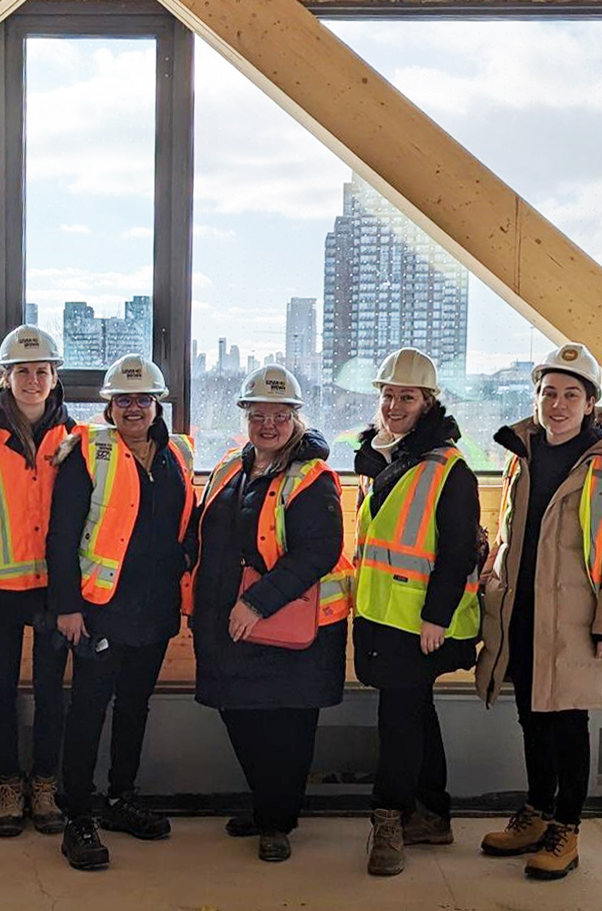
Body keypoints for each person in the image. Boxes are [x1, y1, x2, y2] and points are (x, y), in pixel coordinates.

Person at [476, 342, 602, 880]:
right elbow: (510, 537)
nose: (558, 404)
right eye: (549, 392)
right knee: (532, 717)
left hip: (578, 621)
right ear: (537, 397)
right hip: (523, 613)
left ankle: (566, 828)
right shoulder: (520, 455)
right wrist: (493, 589)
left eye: (572, 394)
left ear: (590, 403)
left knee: (568, 722)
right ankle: (537, 811)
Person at [184, 364, 351, 863]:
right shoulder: (231, 466)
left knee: (286, 729)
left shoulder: (312, 477)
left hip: (289, 629)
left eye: (280, 415)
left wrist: (257, 602)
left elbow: (318, 552)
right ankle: (267, 807)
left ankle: (277, 821)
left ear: (296, 417)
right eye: (258, 415)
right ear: (245, 417)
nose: (268, 425)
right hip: (230, 623)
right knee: (241, 716)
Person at [46, 354, 195, 871]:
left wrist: (187, 570)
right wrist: (67, 606)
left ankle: (120, 798)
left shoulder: (177, 453)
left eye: (143, 399)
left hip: (155, 610)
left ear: (158, 404)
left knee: (135, 707)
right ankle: (77, 816)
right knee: (88, 710)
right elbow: (61, 536)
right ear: (109, 406)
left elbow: (186, 523)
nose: (134, 408)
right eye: (124, 400)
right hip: (99, 610)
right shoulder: (87, 451)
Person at [353, 348, 481, 877]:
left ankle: (390, 819)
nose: (394, 404)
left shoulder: (448, 468)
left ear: (428, 402)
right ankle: (433, 812)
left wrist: (437, 617)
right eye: (388, 394)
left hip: (419, 623)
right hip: (384, 615)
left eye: (406, 396)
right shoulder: (386, 457)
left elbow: (459, 551)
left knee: (398, 721)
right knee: (416, 713)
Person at [0, 324, 75, 838]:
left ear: (54, 378)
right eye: (22, 372)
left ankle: (45, 785)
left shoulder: (78, 439)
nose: (32, 381)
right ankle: (10, 786)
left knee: (51, 690)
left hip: (55, 588)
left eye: (42, 371)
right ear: (3, 377)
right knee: (2, 689)